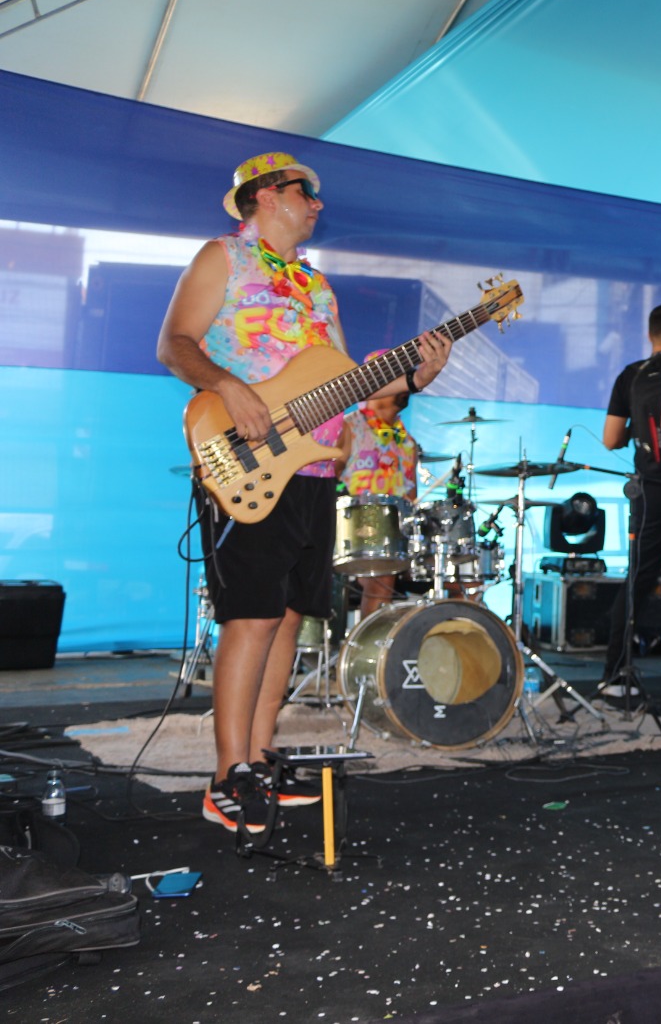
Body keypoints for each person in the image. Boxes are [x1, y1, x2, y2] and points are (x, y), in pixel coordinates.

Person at [156, 152, 451, 834]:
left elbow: (350, 383)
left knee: (290, 618)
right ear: (266, 196)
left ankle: (258, 759)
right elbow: (175, 344)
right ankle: (225, 777)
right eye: (304, 191)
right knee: (251, 616)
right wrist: (229, 386)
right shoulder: (223, 257)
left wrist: (416, 377)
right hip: (246, 461)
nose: (317, 203)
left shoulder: (317, 286)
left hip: (314, 471)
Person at [598, 303, 661, 702]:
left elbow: (610, 439)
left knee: (637, 582)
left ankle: (614, 675)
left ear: (649, 335)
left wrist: (639, 428)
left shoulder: (631, 374)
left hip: (651, 492)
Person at [337, 353, 421, 619]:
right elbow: (329, 479)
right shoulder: (350, 427)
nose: (404, 384)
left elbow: (411, 496)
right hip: (350, 529)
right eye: (397, 377)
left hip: (390, 535)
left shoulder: (408, 442)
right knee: (382, 573)